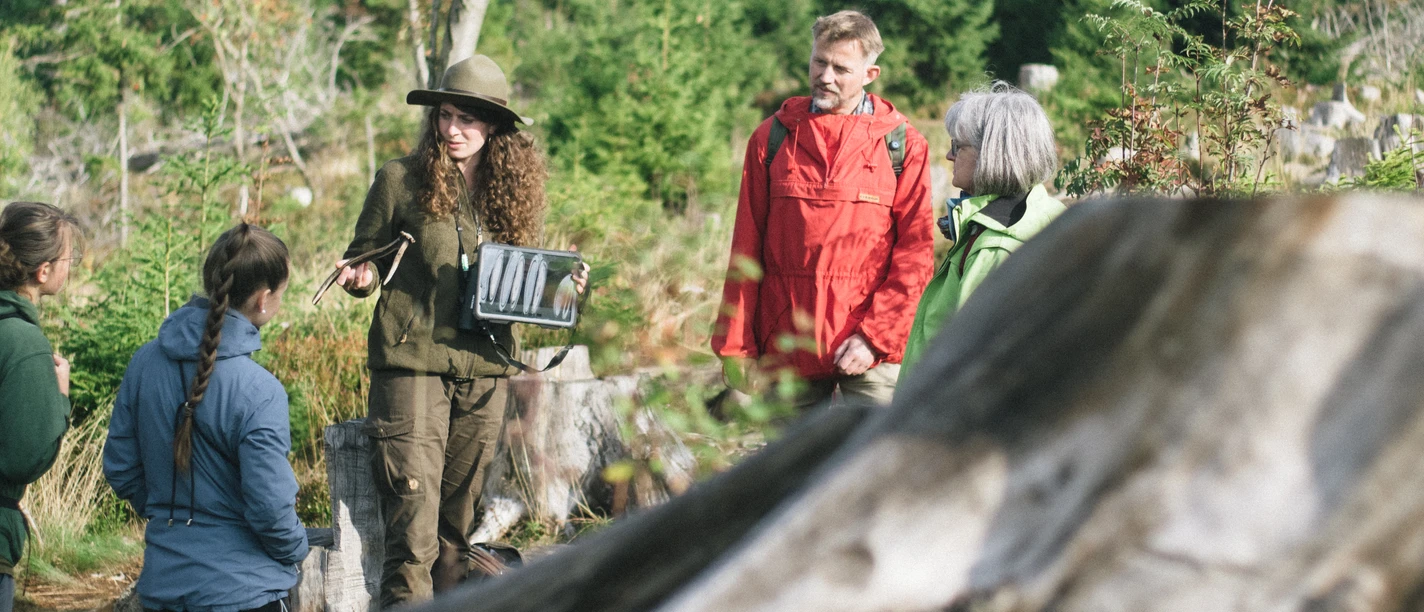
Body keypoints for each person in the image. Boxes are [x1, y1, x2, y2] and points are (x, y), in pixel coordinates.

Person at [330, 54, 584, 607]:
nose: (452, 130)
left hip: (486, 374)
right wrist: (359, 276)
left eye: (467, 119)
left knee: (454, 533)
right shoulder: (399, 180)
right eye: (445, 115)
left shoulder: (511, 193)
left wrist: (562, 287)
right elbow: (364, 261)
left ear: (492, 125)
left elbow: (520, 284)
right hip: (412, 368)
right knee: (413, 532)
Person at [712, 10, 935, 409]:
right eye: (819, 62)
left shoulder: (903, 145)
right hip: (786, 344)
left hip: (870, 353)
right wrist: (735, 344)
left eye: (841, 68)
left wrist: (875, 338)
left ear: (871, 74)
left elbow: (915, 257)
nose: (825, 76)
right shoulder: (772, 138)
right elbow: (746, 247)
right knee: (788, 469)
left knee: (870, 467)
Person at [104, 223, 308, 612]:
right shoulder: (260, 391)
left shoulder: (145, 362)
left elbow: (121, 467)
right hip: (243, 593)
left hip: (162, 587)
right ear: (263, 299)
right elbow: (270, 508)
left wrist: (172, 520)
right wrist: (297, 547)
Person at [900, 82, 1067, 374]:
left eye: (958, 146)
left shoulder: (996, 245)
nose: (950, 156)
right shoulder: (1042, 215)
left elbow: (968, 363)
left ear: (992, 152)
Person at [0, 202, 79, 612]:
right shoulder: (24, 342)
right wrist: (59, 398)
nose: (73, 266)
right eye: (69, 258)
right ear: (43, 271)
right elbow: (25, 458)